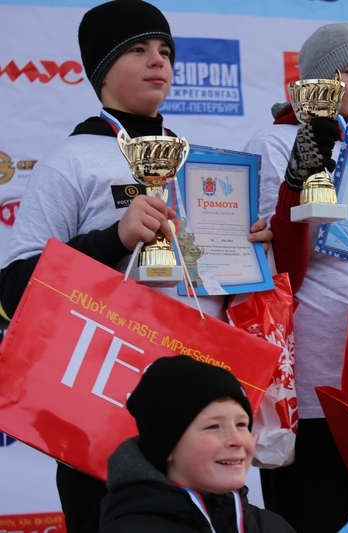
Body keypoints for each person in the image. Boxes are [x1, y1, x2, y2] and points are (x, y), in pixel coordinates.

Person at [0, 1, 269, 530]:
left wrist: (250, 251)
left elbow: (214, 288)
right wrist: (115, 237)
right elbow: (13, 288)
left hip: (198, 401)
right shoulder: (72, 159)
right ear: (101, 70)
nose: (158, 62)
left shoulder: (206, 166)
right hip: (101, 396)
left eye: (166, 51)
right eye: (139, 50)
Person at [242, 23, 348, 533]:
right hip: (308, 388)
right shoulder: (273, 143)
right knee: (314, 517)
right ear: (316, 82)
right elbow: (270, 268)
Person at [98, 355, 296, 532]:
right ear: (167, 444)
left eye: (242, 424)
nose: (237, 440)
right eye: (213, 427)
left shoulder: (272, 526)